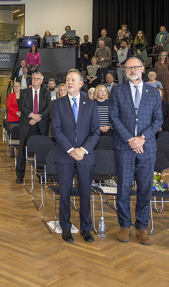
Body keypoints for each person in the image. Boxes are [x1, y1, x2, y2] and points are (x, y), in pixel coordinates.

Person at [109, 57, 163, 245]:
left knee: (145, 188)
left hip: (147, 148)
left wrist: (143, 138)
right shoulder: (117, 90)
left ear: (143, 69)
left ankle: (141, 226)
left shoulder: (153, 92)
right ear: (125, 70)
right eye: (128, 68)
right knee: (123, 187)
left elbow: (158, 119)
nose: (132, 70)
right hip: (124, 147)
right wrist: (131, 139)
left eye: (135, 67)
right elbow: (113, 117)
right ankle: (124, 225)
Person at [52, 69, 100, 243]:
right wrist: (71, 149)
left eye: (73, 80)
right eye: (67, 80)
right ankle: (65, 227)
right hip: (65, 155)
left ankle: (86, 228)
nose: (69, 82)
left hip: (85, 156)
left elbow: (95, 131)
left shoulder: (91, 104)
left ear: (81, 83)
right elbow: (56, 130)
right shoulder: (58, 104)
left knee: (85, 193)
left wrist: (82, 150)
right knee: (64, 193)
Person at [16, 71, 51, 183]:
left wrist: (36, 118)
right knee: (22, 151)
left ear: (41, 81)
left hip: (41, 126)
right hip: (26, 126)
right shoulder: (24, 92)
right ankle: (20, 175)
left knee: (41, 151)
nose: (35, 80)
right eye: (34, 78)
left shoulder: (46, 93)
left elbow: (48, 108)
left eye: (37, 78)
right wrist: (32, 115)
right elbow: (21, 106)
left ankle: (40, 175)